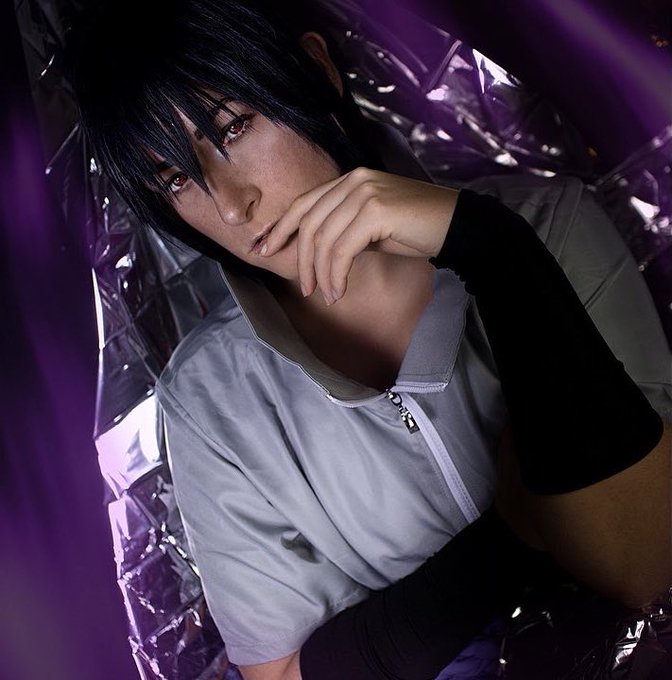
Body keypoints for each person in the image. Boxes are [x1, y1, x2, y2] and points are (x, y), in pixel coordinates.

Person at [66, 1, 672, 678]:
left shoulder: (546, 229)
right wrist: (513, 534)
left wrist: (493, 249)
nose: (233, 205)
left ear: (317, 71)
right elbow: (282, 675)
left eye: (233, 127)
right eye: (178, 179)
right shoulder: (210, 396)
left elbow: (646, 563)